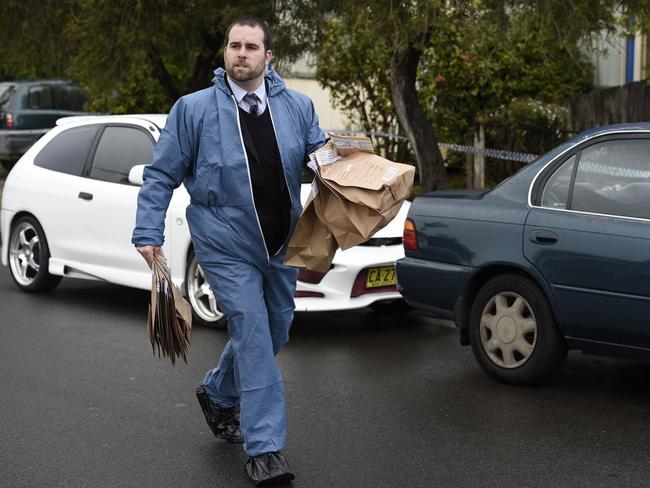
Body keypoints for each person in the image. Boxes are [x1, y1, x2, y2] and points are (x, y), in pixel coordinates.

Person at [132, 16, 326, 486]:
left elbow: (324, 163)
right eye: (234, 46)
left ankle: (219, 391)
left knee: (278, 327)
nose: (241, 53)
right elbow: (161, 175)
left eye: (251, 47)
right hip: (224, 245)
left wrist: (359, 181)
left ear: (268, 57)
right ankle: (265, 450)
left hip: (282, 244)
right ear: (226, 53)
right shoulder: (193, 109)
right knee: (255, 335)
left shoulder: (298, 107)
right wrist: (147, 233)